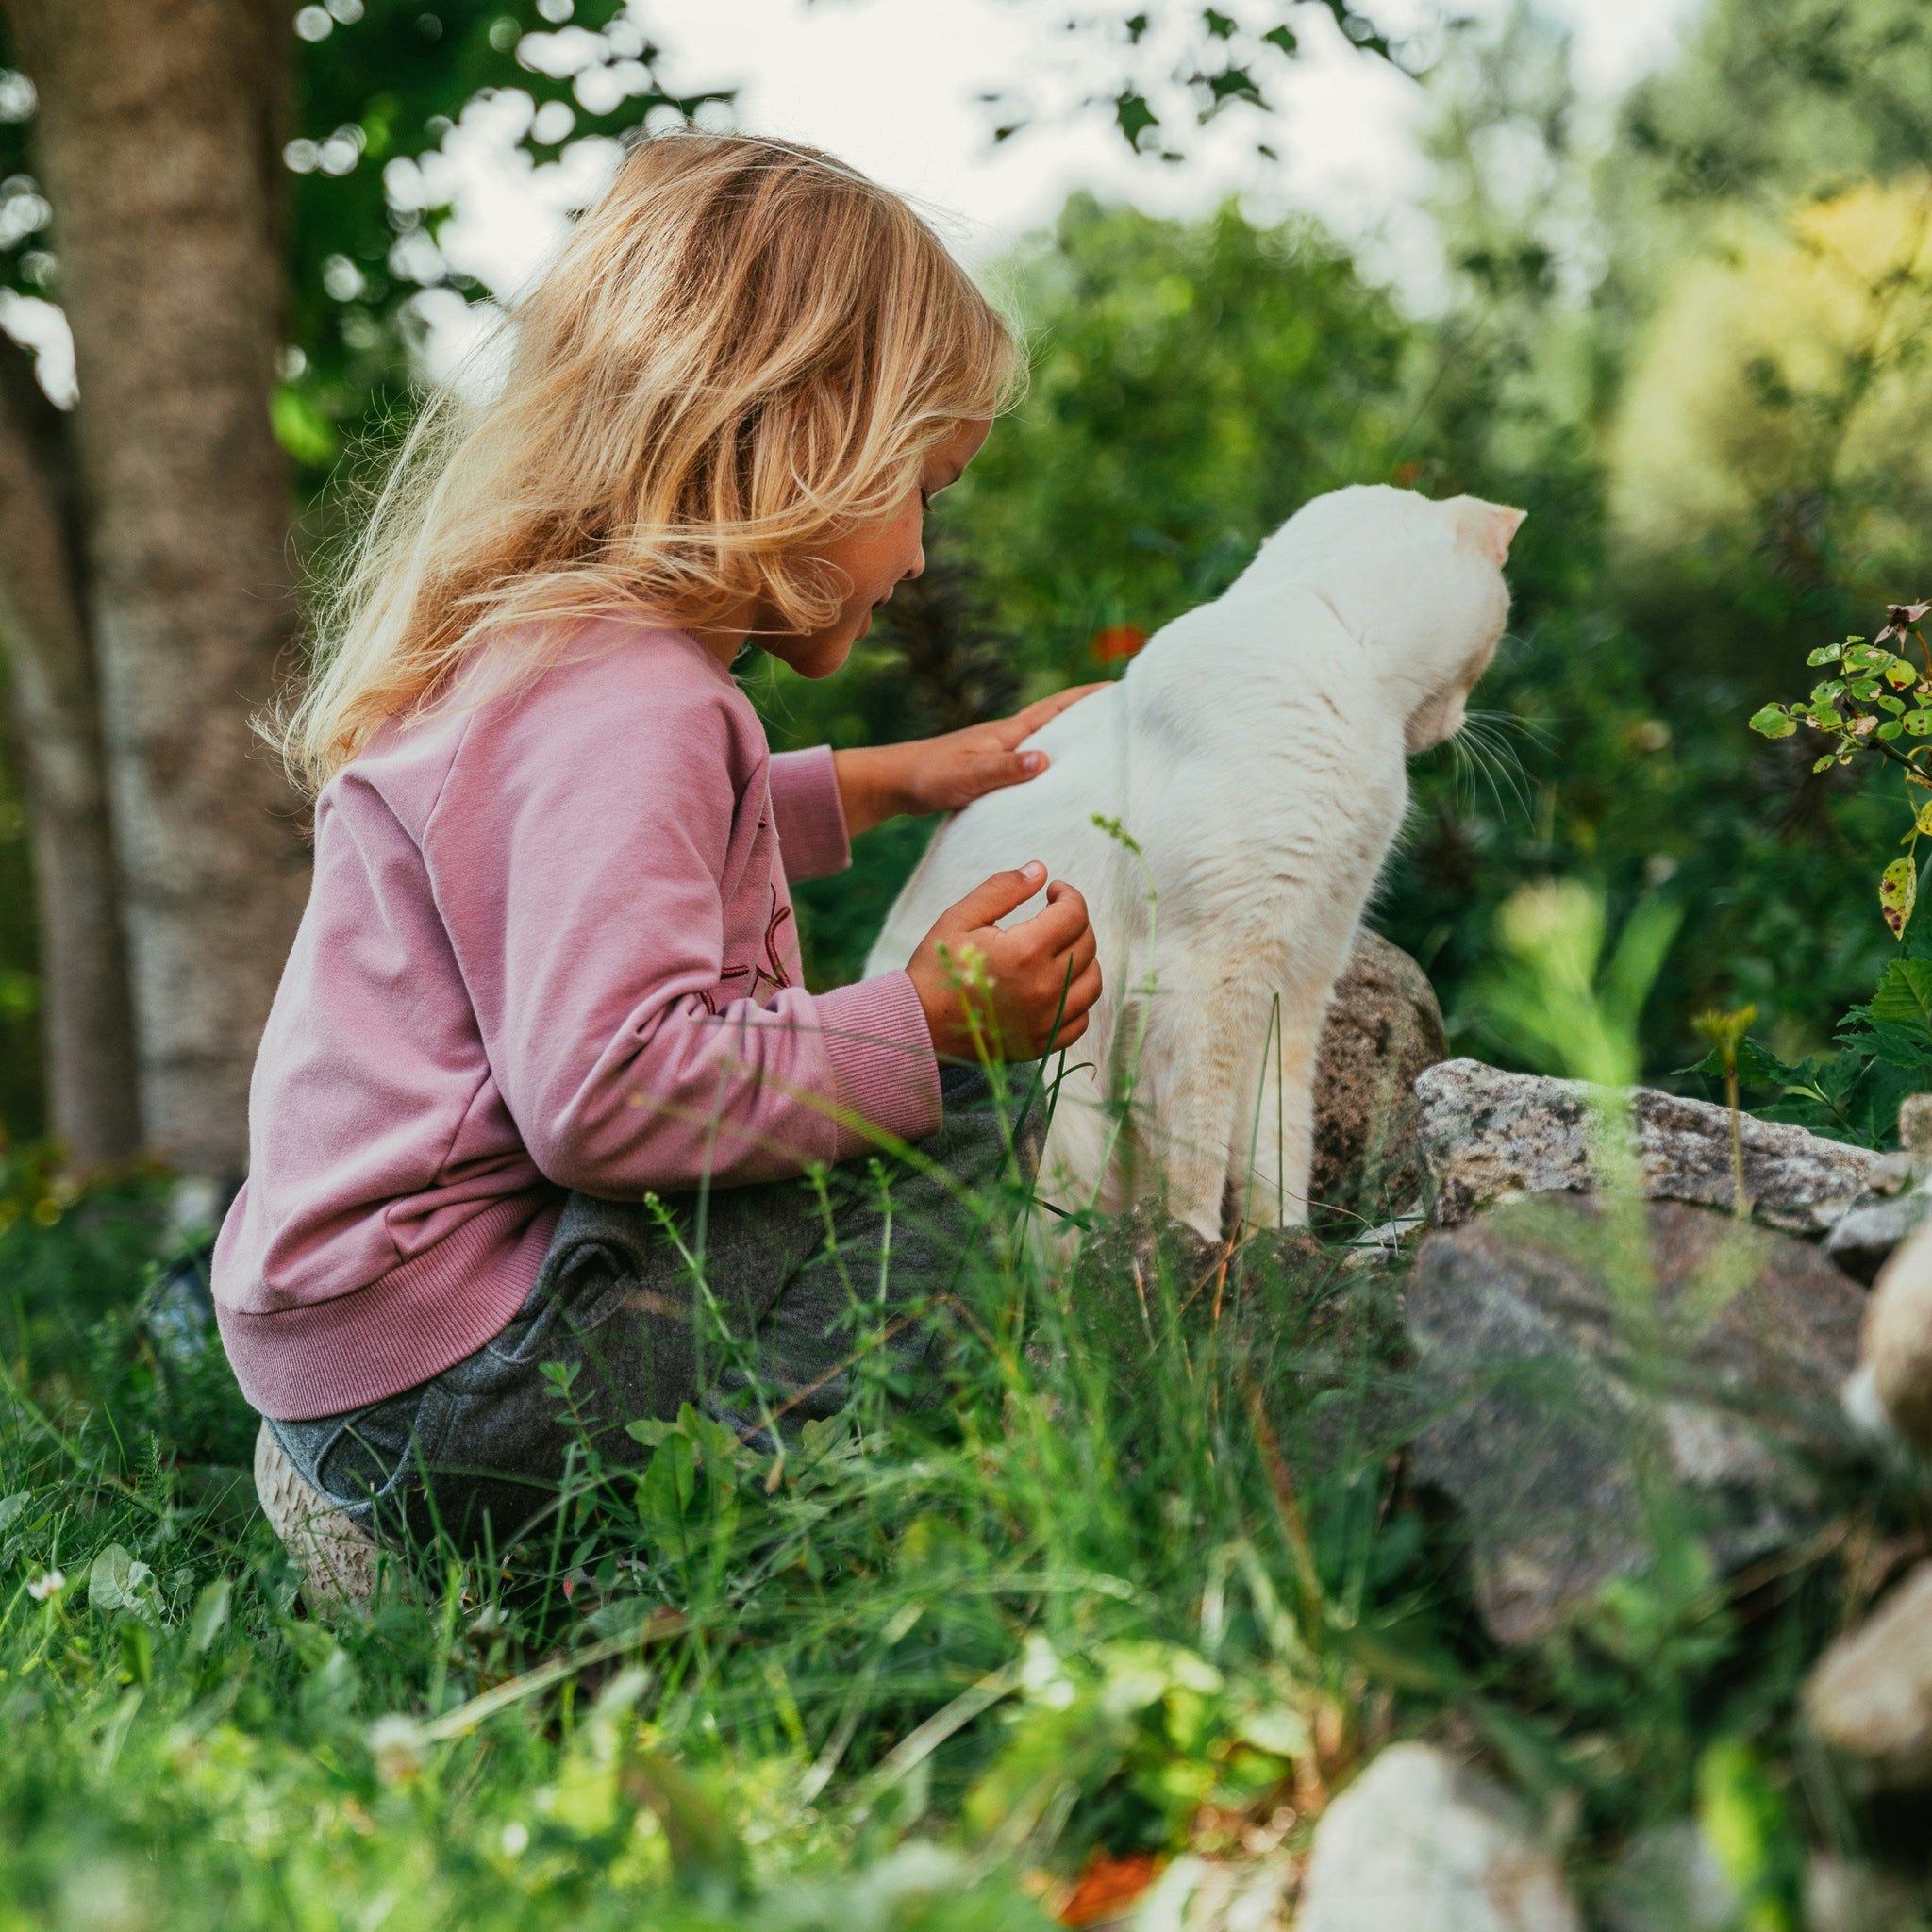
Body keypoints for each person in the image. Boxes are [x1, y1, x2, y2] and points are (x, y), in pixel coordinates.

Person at [213, 133, 1104, 1583]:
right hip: (466, 1392)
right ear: (795, 436)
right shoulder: (638, 706)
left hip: (364, 1359)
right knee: (958, 1120)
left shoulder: (559, 665)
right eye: (919, 494)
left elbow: (638, 857)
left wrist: (894, 779)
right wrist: (928, 1021)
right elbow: (611, 1099)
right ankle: (756, 1539)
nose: (924, 557)